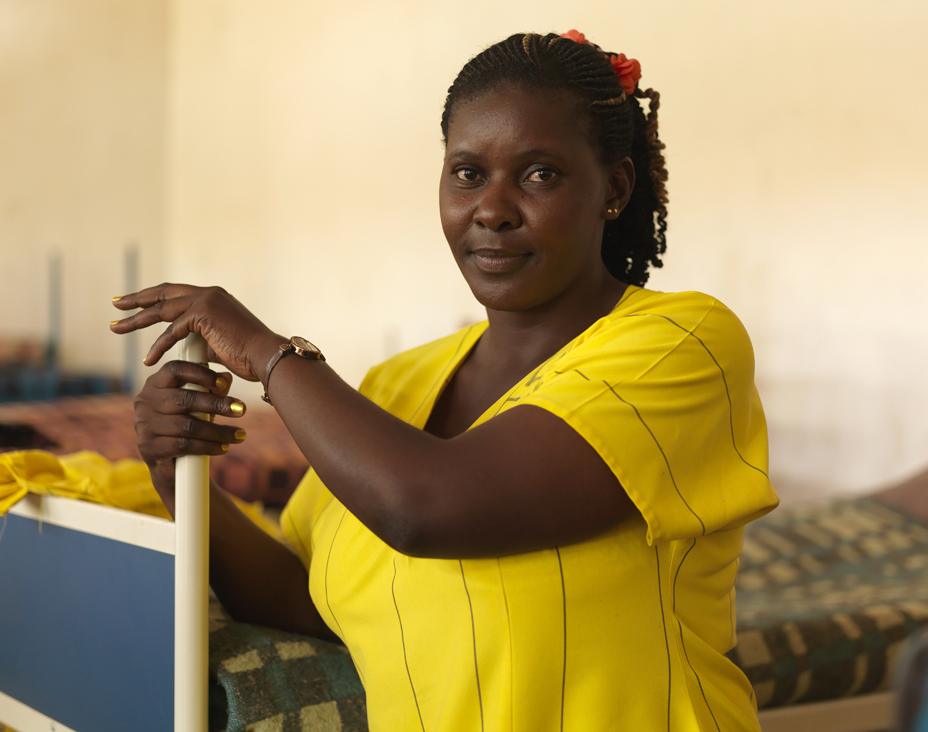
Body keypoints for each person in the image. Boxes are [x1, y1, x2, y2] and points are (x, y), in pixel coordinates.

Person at [111, 30, 778, 731]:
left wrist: (267, 355)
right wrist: (175, 473)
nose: (491, 208)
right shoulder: (397, 382)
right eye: (467, 173)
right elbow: (302, 599)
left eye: (540, 173)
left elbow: (426, 508)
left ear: (613, 189)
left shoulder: (682, 344)